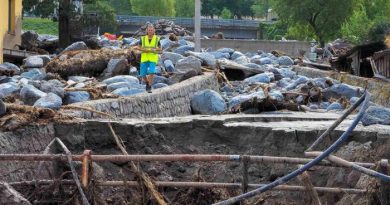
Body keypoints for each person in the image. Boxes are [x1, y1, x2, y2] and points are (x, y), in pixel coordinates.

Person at [135, 25, 162, 93]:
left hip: (153, 58)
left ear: (154, 31)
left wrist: (155, 50)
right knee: (142, 74)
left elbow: (160, 49)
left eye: (151, 30)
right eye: (149, 30)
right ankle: (147, 82)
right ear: (147, 31)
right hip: (144, 58)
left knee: (151, 72)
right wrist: (144, 50)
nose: (150, 31)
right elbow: (138, 47)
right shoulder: (143, 38)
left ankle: (149, 86)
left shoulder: (157, 39)